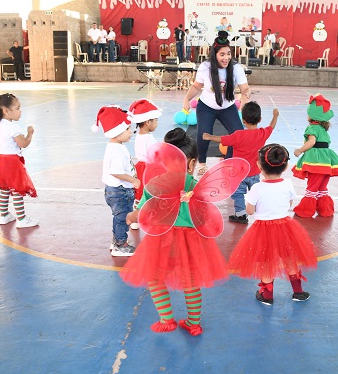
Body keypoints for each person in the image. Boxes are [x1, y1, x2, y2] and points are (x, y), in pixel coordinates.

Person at [120, 128, 237, 336]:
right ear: (192, 163)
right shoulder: (196, 185)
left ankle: (166, 319)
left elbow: (142, 214)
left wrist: (130, 217)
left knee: (155, 279)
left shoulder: (154, 185)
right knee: (191, 282)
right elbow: (204, 217)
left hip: (161, 240)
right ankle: (193, 323)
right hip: (191, 242)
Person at [227, 143, 318, 305]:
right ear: (286, 165)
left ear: (259, 165)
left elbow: (250, 211)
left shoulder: (257, 188)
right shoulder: (288, 184)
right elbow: (289, 203)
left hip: (263, 229)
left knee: (266, 262)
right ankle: (298, 292)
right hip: (286, 227)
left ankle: (267, 295)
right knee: (290, 258)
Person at [182, 30, 251, 176]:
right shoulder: (205, 67)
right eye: (222, 55)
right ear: (215, 54)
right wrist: (187, 99)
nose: (226, 58)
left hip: (227, 107)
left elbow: (245, 88)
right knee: (204, 133)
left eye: (228, 54)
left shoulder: (236, 68)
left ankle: (229, 161)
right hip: (206, 106)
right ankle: (202, 163)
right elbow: (196, 86)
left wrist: (244, 97)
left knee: (238, 134)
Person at [202, 102, 279, 224]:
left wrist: (209, 137)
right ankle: (262, 212)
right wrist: (275, 116)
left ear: (243, 120)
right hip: (254, 172)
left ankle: (241, 215)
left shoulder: (238, 135)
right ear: (259, 119)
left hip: (239, 174)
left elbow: (222, 139)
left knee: (238, 194)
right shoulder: (262, 134)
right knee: (256, 193)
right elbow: (271, 127)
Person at [0, 93, 39, 229]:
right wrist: (30, 133)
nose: (20, 111)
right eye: (17, 108)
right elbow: (23, 143)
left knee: (4, 189)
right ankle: (21, 219)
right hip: (11, 163)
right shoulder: (13, 127)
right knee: (16, 190)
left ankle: (4, 215)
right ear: (6, 111)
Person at [92, 106, 138, 257]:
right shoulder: (118, 150)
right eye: (128, 129)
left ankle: (117, 241)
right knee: (123, 217)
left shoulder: (115, 146)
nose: (130, 132)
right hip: (119, 191)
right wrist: (133, 180)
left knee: (119, 217)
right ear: (117, 131)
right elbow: (116, 172)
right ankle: (120, 245)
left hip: (116, 190)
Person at [291, 94, 338, 218]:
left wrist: (300, 150)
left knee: (312, 187)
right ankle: (325, 210)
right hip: (327, 161)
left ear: (312, 115)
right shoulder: (323, 129)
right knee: (322, 187)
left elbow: (312, 142)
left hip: (316, 161)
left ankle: (306, 211)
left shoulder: (312, 128)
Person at [128, 98, 162, 230]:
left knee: (139, 193)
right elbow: (154, 155)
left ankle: (136, 219)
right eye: (156, 120)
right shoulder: (148, 138)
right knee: (150, 191)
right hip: (149, 168)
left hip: (140, 167)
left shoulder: (140, 136)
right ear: (148, 122)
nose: (157, 123)